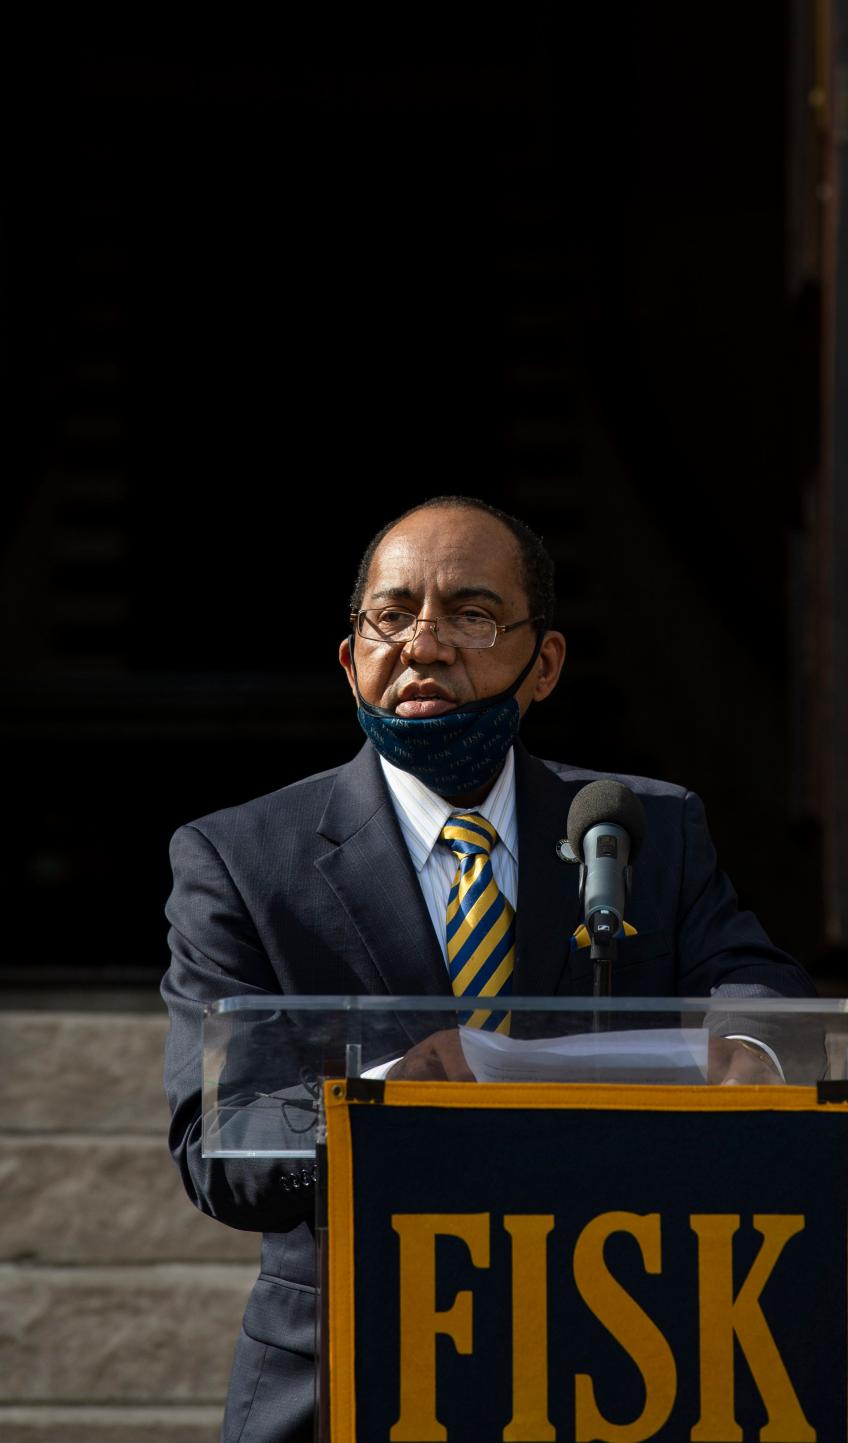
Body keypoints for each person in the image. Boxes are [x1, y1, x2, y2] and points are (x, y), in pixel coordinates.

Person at [161, 495, 814, 1443]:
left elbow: (752, 981)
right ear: (351, 659)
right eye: (391, 617)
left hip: (622, 1362)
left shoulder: (641, 828)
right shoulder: (242, 860)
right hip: (347, 1361)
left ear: (542, 662)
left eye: (470, 616)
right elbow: (219, 1139)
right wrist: (387, 1093)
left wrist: (750, 1047)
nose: (424, 647)